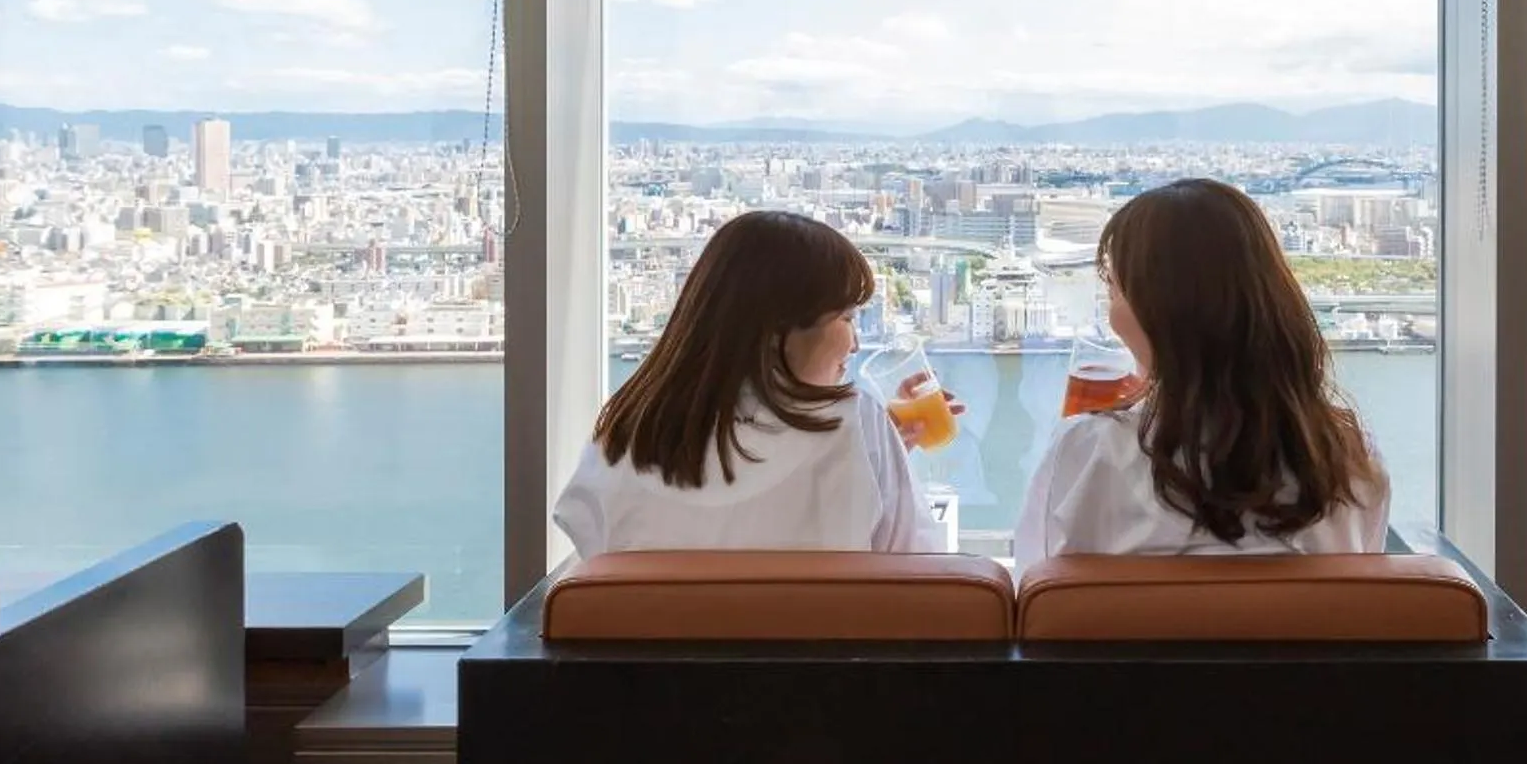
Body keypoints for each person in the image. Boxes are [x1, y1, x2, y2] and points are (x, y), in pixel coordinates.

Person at [1014, 178, 1389, 565]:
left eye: (1115, 289)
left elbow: (1035, 591)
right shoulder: (1348, 457)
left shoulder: (1092, 452)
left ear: (1157, 315)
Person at [555, 210, 947, 556]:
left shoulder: (622, 435)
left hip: (657, 641)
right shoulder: (856, 421)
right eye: (846, 319)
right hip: (819, 641)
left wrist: (879, 456)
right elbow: (918, 574)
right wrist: (875, 453)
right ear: (778, 331)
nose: (856, 343)